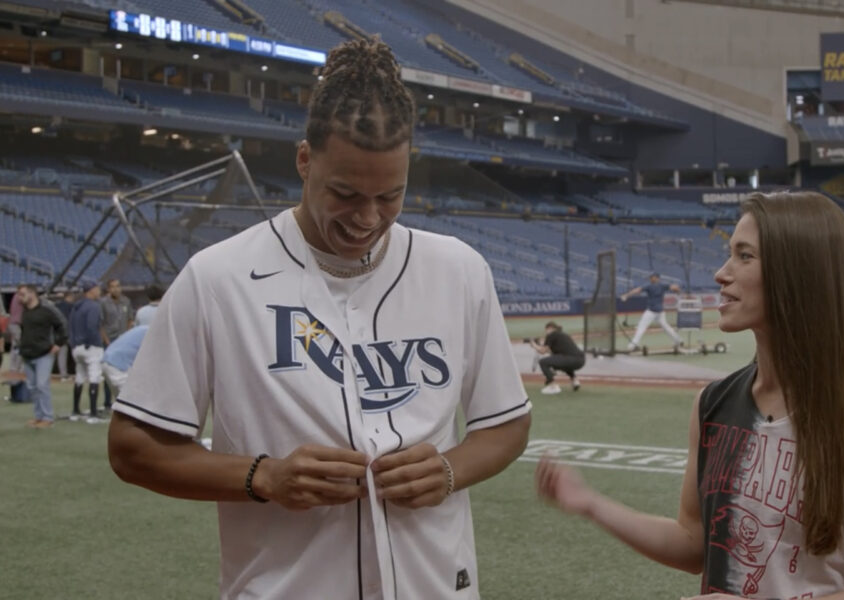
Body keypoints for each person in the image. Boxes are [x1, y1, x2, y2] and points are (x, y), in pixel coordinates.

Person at [107, 39, 531, 600]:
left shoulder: (458, 270)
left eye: (390, 195)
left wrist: (450, 470)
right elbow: (134, 446)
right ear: (305, 160)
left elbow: (507, 423)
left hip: (435, 586)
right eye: (346, 193)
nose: (368, 217)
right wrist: (265, 477)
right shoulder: (218, 278)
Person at [536, 191, 844, 599]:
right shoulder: (713, 405)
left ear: (797, 273)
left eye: (745, 256)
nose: (721, 273)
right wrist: (591, 503)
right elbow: (695, 543)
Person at [15, 284, 68, 428]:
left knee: (42, 385)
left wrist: (59, 343)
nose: (20, 297)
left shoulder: (47, 310)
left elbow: (62, 325)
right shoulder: (25, 311)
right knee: (32, 387)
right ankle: (38, 416)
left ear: (32, 293)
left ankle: (47, 417)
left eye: (22, 294)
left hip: (44, 354)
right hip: (27, 354)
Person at [69, 282, 104, 423]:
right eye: (97, 289)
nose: (99, 291)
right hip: (90, 346)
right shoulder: (93, 306)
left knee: (79, 377)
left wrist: (73, 344)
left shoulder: (76, 306)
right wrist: (94, 342)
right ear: (92, 290)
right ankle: (93, 414)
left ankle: (75, 411)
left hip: (76, 347)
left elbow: (70, 326)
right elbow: (92, 326)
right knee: (94, 377)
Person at [619, 273, 683, 351]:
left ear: (657, 278)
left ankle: (633, 345)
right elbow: (675, 287)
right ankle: (678, 340)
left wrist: (626, 295)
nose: (651, 279)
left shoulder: (656, 285)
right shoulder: (657, 285)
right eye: (650, 277)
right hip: (658, 311)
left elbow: (674, 287)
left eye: (653, 277)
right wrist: (678, 291)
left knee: (641, 327)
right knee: (664, 327)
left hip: (653, 312)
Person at [100, 278, 133, 410]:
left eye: (118, 286)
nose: (116, 289)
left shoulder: (126, 301)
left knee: (126, 372)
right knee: (109, 373)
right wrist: (107, 342)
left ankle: (125, 400)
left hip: (124, 340)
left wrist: (128, 337)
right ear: (108, 289)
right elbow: (101, 324)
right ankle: (108, 402)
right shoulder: (103, 303)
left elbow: (130, 320)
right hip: (110, 340)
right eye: (112, 287)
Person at [529, 321, 585, 395]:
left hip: (570, 359)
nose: (546, 332)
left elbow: (543, 351)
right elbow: (553, 353)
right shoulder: (563, 335)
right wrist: (539, 346)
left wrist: (534, 345)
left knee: (543, 362)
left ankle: (553, 386)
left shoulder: (551, 335)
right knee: (563, 363)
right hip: (581, 360)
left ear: (549, 328)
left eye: (546, 330)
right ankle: (575, 381)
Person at [101, 324, 148, 403]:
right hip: (118, 365)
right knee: (132, 402)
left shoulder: (142, 329)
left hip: (107, 360)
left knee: (122, 403)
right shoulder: (150, 334)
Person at [54, 291, 76, 380]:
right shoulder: (70, 306)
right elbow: (70, 321)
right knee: (65, 353)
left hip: (55, 332)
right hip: (66, 333)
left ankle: (63, 374)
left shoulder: (57, 305)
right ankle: (64, 374)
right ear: (69, 297)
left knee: (55, 354)